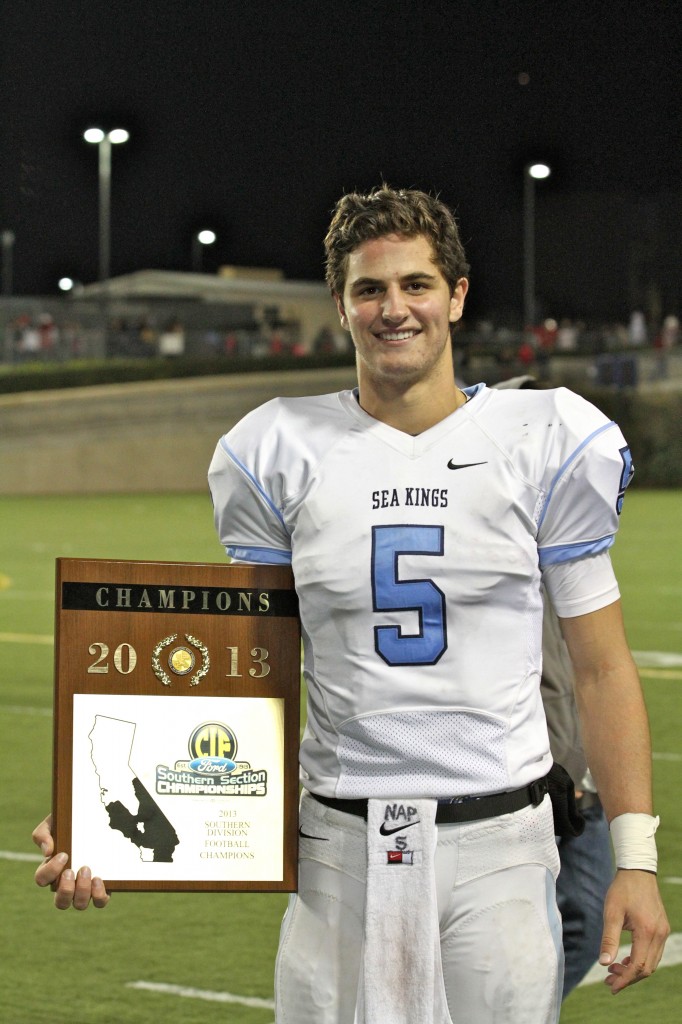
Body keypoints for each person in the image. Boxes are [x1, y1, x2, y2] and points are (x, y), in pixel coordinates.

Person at [34, 186, 669, 1023]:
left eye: (416, 284)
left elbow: (599, 665)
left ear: (457, 295)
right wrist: (104, 810)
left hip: (503, 846)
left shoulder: (542, 438)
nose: (394, 308)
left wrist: (636, 858)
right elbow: (245, 676)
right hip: (339, 846)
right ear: (341, 304)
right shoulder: (278, 450)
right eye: (370, 289)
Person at [493, 375, 613, 999]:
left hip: (578, 781)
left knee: (589, 921)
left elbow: (595, 672)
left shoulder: (573, 541)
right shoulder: (484, 540)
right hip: (514, 783)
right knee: (500, 939)